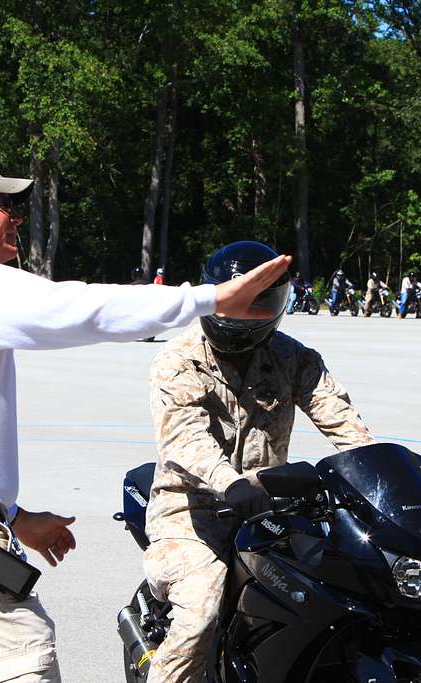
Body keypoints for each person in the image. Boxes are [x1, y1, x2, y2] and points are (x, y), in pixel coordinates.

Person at [0, 160, 291, 683]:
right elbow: (78, 308)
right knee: (24, 668)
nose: (16, 218)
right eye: (3, 206)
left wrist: (14, 515)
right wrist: (209, 299)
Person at [141, 241, 374, 683]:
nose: (242, 313)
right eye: (234, 298)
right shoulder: (178, 359)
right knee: (202, 610)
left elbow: (340, 419)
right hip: (192, 511)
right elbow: (184, 438)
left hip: (269, 506)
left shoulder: (294, 358)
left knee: (333, 597)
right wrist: (229, 482)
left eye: (257, 302)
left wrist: (380, 471)